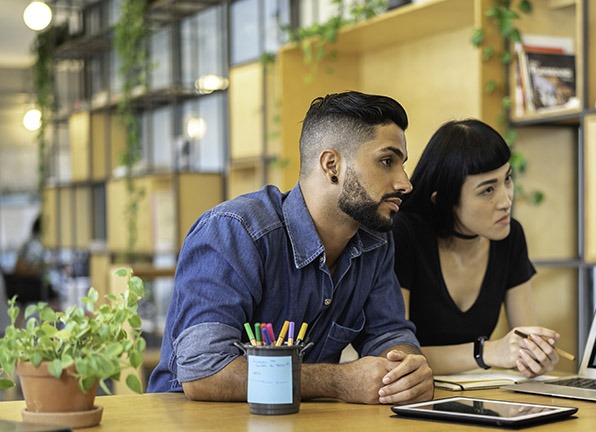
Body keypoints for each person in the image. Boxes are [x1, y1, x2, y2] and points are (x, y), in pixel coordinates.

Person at [147, 91, 434, 405]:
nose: (405, 183)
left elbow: (388, 334)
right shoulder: (234, 231)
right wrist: (338, 381)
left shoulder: (375, 240)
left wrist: (406, 371)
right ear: (332, 165)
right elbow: (205, 373)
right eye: (387, 161)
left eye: (401, 165)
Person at [393, 119, 560, 377]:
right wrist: (487, 352)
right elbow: (398, 357)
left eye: (507, 179)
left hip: (474, 395)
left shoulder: (510, 236)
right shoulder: (404, 234)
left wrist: (534, 356)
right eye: (488, 190)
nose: (506, 200)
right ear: (444, 200)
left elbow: (526, 338)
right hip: (409, 399)